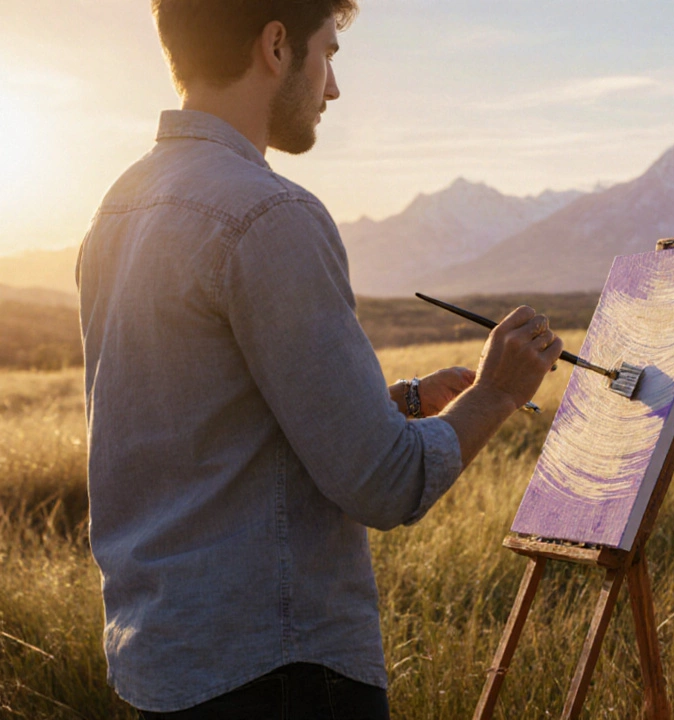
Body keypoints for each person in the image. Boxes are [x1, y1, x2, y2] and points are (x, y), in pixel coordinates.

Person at [76, 2, 562, 717]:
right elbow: (386, 485)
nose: (332, 87)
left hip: (165, 666)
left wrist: (392, 405)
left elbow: (195, 427)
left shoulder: (117, 210)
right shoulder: (268, 214)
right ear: (276, 46)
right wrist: (494, 393)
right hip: (279, 669)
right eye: (327, 54)